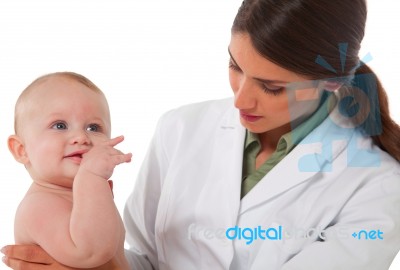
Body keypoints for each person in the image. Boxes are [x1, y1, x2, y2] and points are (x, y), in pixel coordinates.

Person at [2, 0, 400, 269]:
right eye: (235, 66)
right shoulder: (180, 128)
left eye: (272, 87)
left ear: (330, 82)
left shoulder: (377, 185)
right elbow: (146, 258)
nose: (241, 98)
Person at [4, 72, 132, 268]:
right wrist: (92, 179)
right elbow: (90, 253)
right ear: (21, 150)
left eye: (93, 128)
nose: (81, 137)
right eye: (60, 125)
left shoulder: (86, 193)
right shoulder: (38, 205)